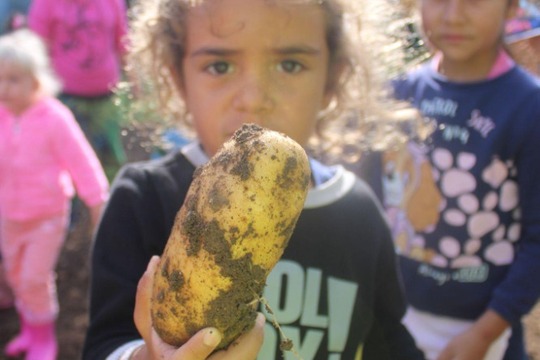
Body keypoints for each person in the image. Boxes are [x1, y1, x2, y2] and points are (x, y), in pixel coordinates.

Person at [82, 0, 427, 359]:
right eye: (220, 66)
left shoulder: (359, 216)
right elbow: (105, 344)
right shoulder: (143, 200)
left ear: (332, 80)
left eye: (290, 65)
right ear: (178, 80)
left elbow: (388, 340)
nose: (254, 99)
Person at [359, 0, 540, 359]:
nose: (453, 15)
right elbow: (370, 211)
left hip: (484, 332)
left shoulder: (529, 109)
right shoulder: (395, 96)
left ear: (509, 9)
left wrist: (486, 332)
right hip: (394, 320)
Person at [0, 29, 109, 360]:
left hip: (46, 214)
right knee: (17, 275)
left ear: (35, 81)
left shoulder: (54, 118)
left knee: (34, 277)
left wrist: (96, 201)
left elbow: (82, 161)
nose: (4, 88)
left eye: (14, 79)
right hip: (9, 214)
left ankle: (45, 338)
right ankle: (29, 331)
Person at [27, 0, 129, 180]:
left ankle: (111, 202)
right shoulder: (46, 3)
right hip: (66, 98)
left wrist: (133, 80)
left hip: (106, 96)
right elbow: (36, 48)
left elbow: (122, 40)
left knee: (110, 159)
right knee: (67, 162)